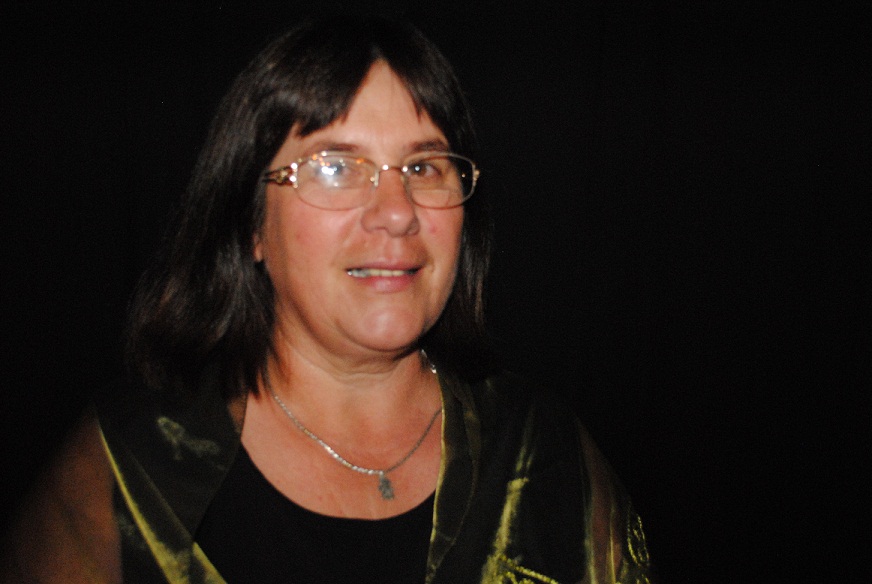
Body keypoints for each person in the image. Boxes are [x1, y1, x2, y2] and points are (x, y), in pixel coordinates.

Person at [1, 14, 652, 584]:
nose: (397, 212)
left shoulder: (544, 456)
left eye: (424, 166)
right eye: (336, 167)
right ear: (252, 224)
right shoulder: (131, 471)